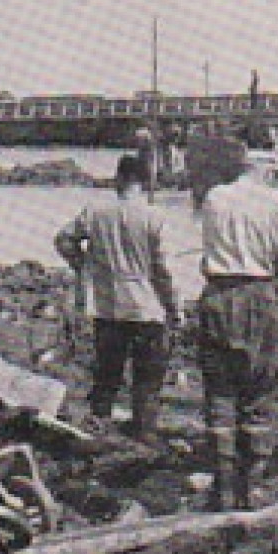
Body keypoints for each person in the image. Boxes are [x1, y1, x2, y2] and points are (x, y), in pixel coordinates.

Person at [195, 148, 278, 510]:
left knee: (220, 391)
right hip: (257, 296)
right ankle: (252, 488)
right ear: (271, 173)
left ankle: (222, 488)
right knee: (261, 387)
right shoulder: (276, 202)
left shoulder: (214, 197)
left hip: (216, 294)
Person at [53, 154, 179, 441]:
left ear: (118, 180)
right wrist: (175, 307)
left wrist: (83, 264)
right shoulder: (155, 217)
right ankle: (143, 434)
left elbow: (62, 240)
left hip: (108, 307)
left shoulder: (95, 213)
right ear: (146, 183)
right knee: (147, 381)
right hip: (148, 308)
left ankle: (97, 430)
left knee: (106, 375)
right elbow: (164, 271)